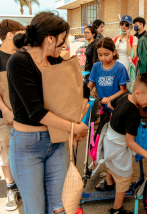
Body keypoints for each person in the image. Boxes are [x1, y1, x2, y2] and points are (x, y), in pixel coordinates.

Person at [7, 12, 89, 214]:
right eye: (62, 40)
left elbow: (82, 90)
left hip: (57, 142)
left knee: (60, 208)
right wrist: (73, 127)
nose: (64, 46)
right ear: (50, 38)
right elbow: (35, 111)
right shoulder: (19, 61)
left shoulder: (55, 62)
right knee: (36, 210)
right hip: (27, 145)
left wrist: (76, 119)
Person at [99, 73, 147, 214]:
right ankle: (117, 210)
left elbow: (110, 104)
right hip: (117, 147)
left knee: (111, 165)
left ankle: (109, 182)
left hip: (109, 139)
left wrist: (120, 117)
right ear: (138, 93)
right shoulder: (134, 113)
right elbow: (130, 142)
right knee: (124, 178)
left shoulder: (124, 95)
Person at [87, 37, 130, 191]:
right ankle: (110, 178)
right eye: (100, 55)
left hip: (117, 111)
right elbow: (89, 86)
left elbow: (123, 90)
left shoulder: (119, 68)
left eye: (106, 54)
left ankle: (115, 177)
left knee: (116, 144)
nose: (103, 58)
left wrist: (109, 99)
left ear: (114, 52)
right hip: (103, 112)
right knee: (103, 144)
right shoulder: (96, 67)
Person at [0, 19, 25, 212]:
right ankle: (11, 187)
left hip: (25, 116)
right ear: (10, 34)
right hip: (5, 117)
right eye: (21, 32)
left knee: (23, 153)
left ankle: (24, 186)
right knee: (7, 153)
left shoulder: (22, 56)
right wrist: (5, 110)